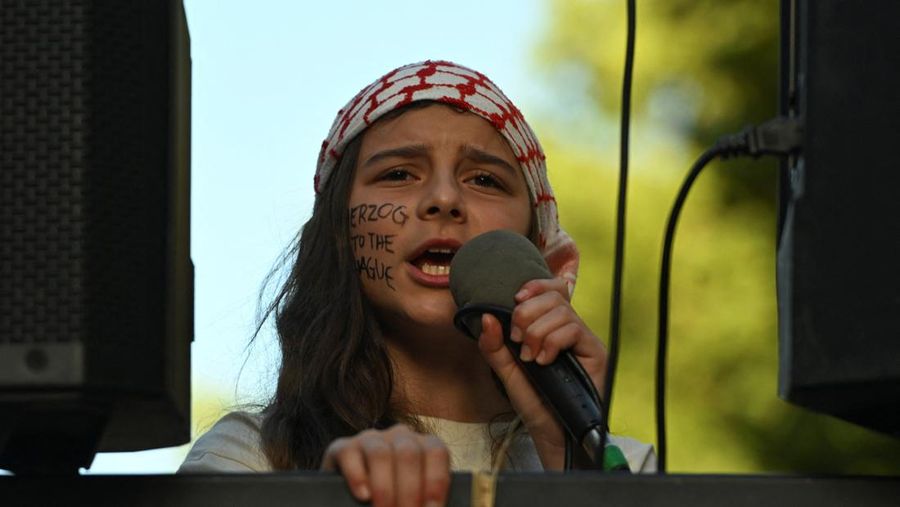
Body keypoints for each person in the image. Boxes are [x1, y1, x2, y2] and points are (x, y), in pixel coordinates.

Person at [179, 60, 655, 505]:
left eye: (485, 180)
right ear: (338, 235)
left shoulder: (629, 469)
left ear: (540, 245)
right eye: (399, 173)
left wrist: (572, 458)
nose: (444, 199)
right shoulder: (249, 457)